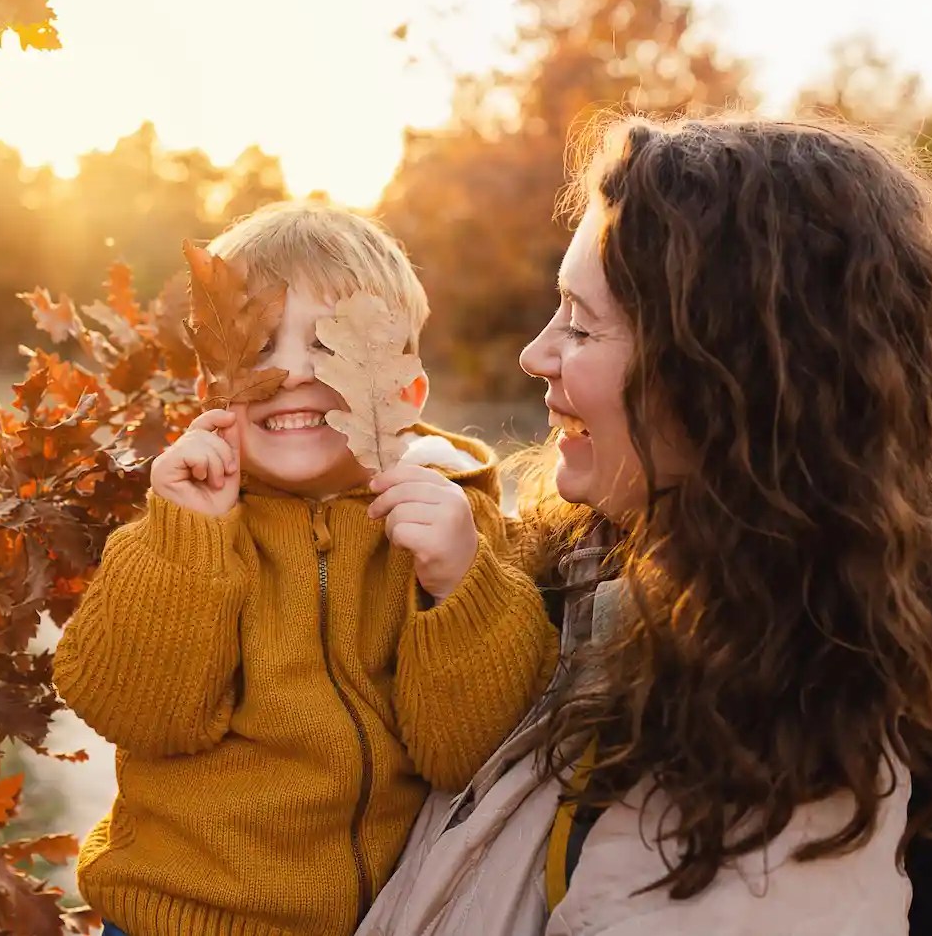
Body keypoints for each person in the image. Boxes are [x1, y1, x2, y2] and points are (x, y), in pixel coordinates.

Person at [357, 117, 932, 936]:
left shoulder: (778, 780)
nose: (535, 354)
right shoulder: (609, 571)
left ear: (723, 378)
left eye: (581, 325)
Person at [52, 203, 560, 936]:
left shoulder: (451, 524)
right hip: (179, 918)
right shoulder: (189, 524)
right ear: (210, 386)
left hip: (387, 919)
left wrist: (459, 584)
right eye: (257, 348)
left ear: (407, 392)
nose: (289, 372)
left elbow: (467, 757)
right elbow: (139, 715)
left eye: (330, 345)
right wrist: (187, 542)